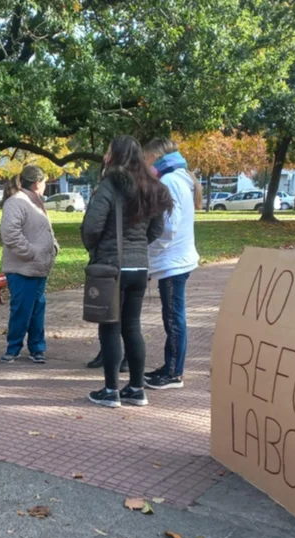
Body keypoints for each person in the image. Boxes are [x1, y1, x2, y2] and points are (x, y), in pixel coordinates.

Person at [81, 135, 170, 408]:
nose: (105, 155)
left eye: (108, 150)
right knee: (133, 327)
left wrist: (95, 248)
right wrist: (139, 247)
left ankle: (110, 390)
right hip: (139, 267)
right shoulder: (151, 187)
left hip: (111, 267)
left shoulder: (109, 185)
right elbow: (156, 229)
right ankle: (136, 388)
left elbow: (92, 227)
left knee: (110, 328)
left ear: (115, 155)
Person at [143, 138, 201, 390]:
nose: (144, 164)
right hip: (177, 259)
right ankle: (170, 366)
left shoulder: (168, 181)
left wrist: (149, 251)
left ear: (155, 156)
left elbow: (168, 228)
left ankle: (174, 372)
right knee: (173, 316)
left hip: (172, 262)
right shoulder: (180, 178)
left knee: (173, 318)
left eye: (146, 159)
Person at [0, 165, 59, 363]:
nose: (44, 186)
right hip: (22, 268)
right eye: (44, 182)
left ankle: (37, 347)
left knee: (37, 308)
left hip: (39, 267)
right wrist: (31, 253)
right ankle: (13, 348)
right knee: (22, 309)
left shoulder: (35, 202)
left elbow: (44, 230)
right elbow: (10, 234)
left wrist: (54, 247)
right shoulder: (16, 202)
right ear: (36, 183)